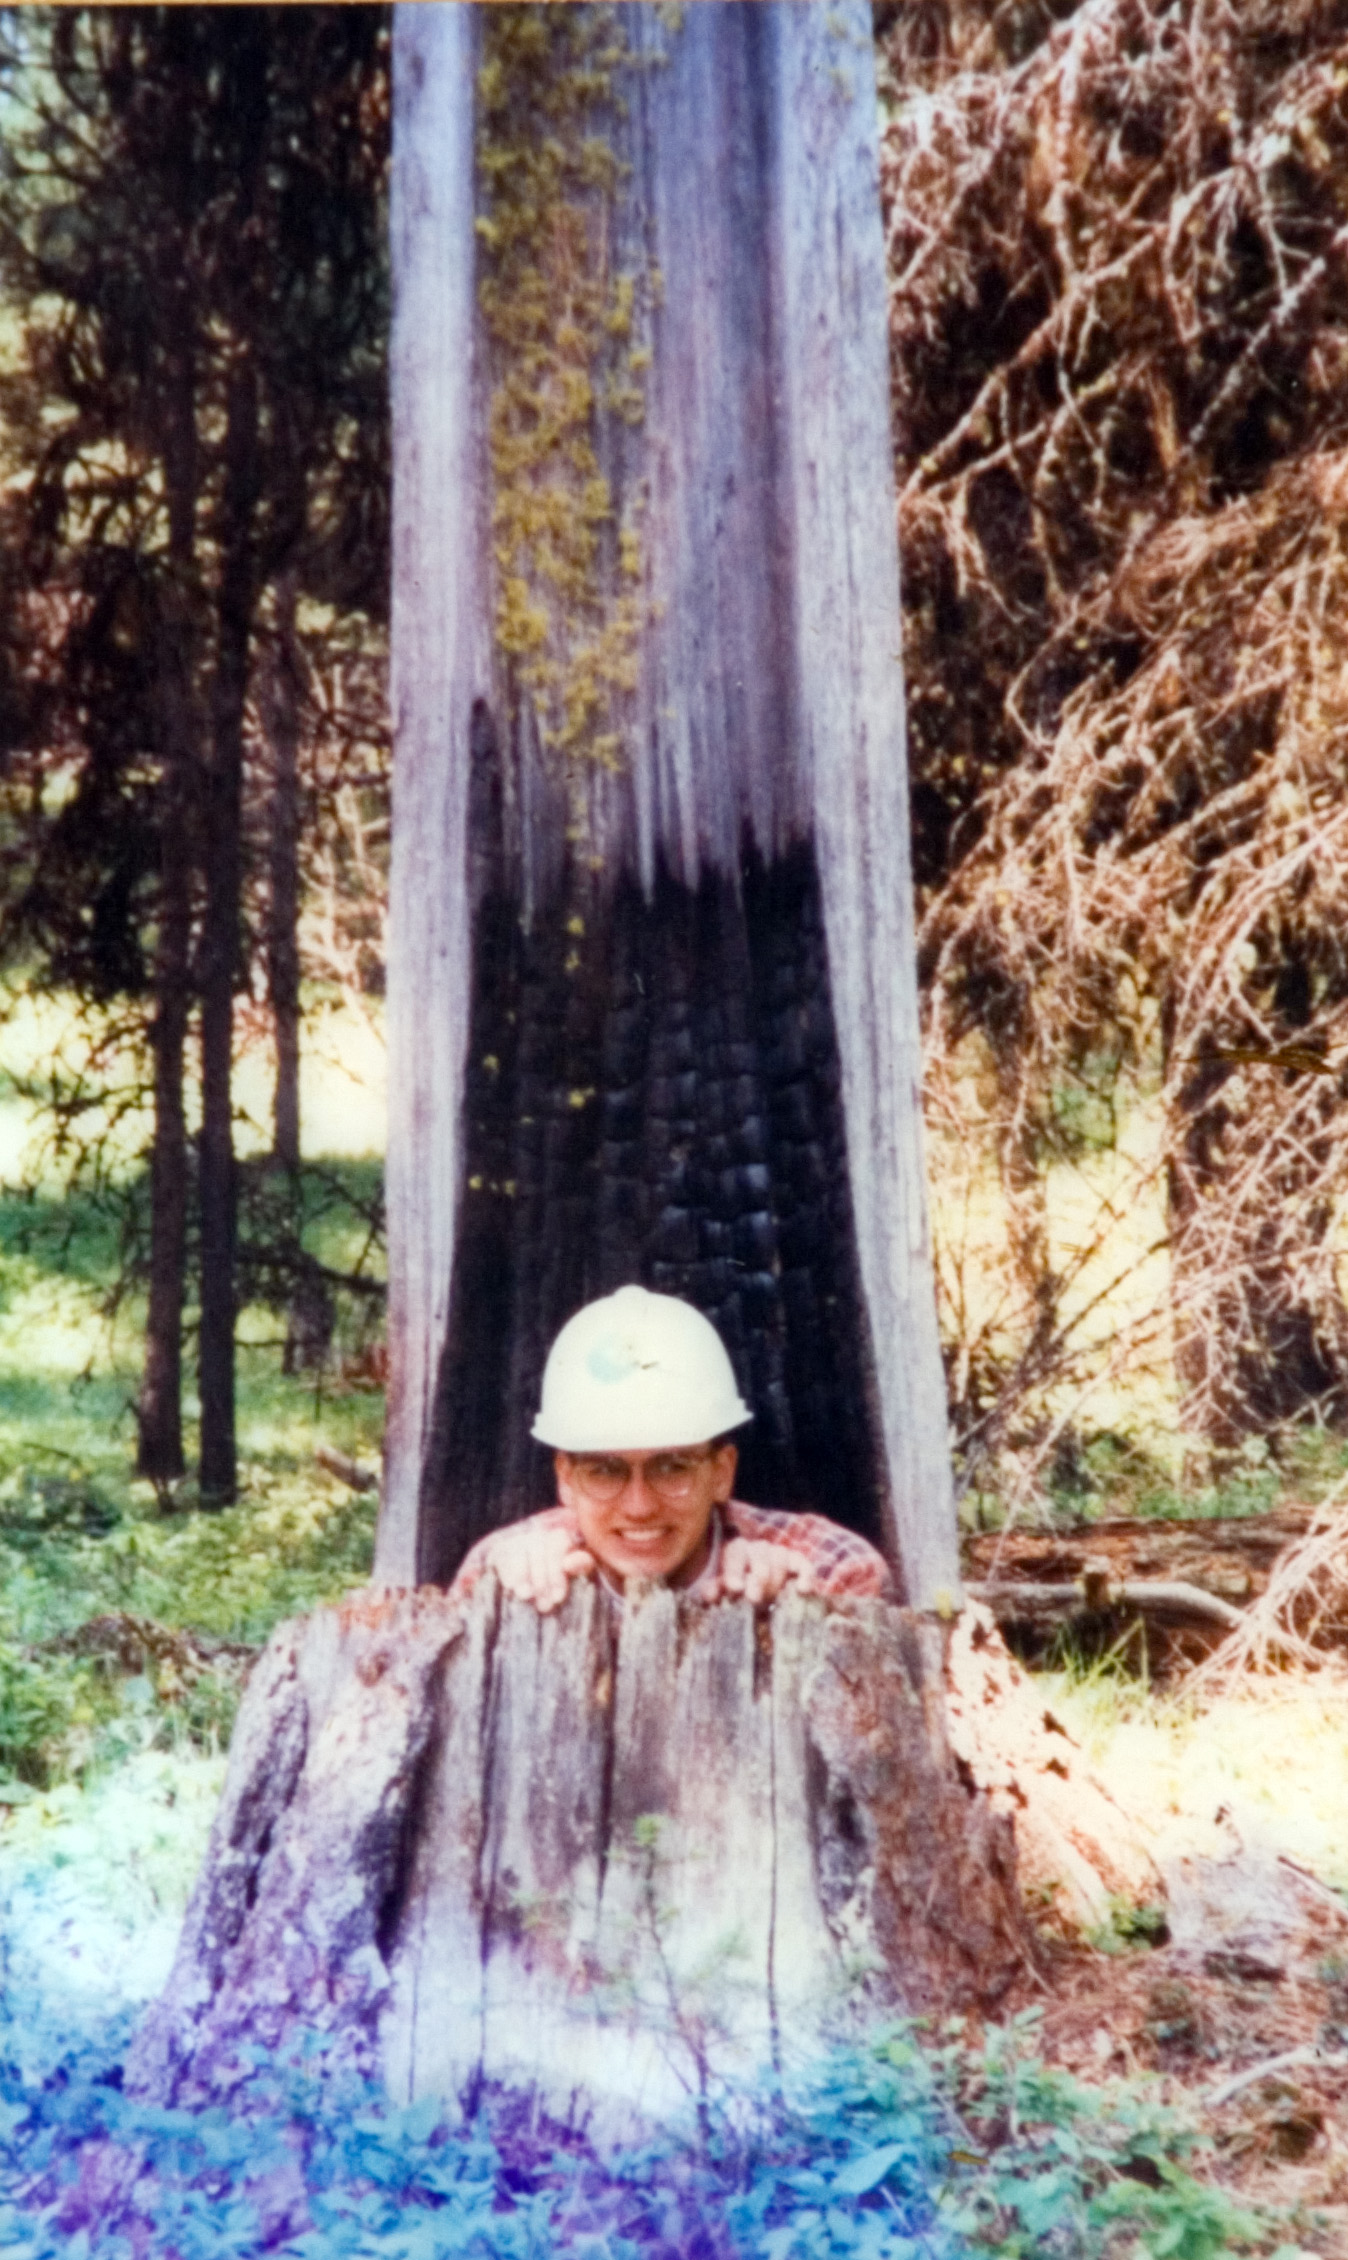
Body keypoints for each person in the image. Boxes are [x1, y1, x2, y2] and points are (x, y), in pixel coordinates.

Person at [451, 1284, 894, 1611]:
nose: (640, 1506)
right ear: (565, 1479)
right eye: (605, 1471)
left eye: (671, 1468)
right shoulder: (505, 1572)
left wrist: (799, 1613)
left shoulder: (824, 1567)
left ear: (722, 1472)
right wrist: (504, 1606)